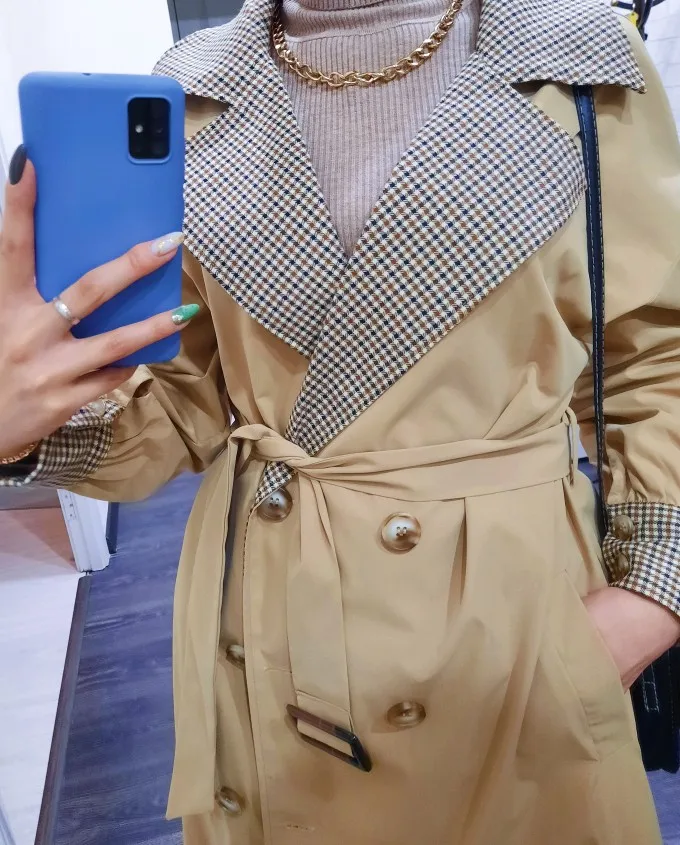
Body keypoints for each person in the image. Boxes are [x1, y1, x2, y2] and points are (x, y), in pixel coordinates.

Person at [1, 0, 679, 841]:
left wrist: (651, 591)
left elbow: (654, 349)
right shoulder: (196, 88)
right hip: (273, 619)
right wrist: (26, 423)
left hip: (508, 631)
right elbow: (185, 399)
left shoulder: (578, 59)